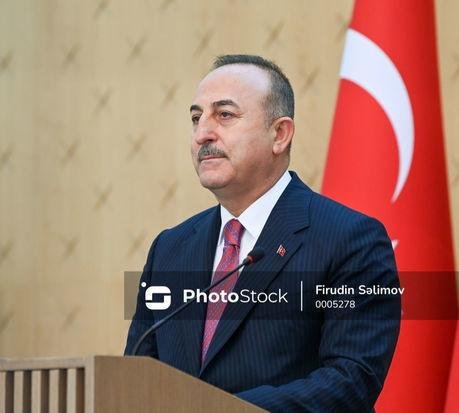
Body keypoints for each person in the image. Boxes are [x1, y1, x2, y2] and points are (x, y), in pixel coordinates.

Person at [124, 54, 401, 412]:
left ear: (279, 134)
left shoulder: (351, 239)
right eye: (196, 118)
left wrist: (217, 409)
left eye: (225, 115)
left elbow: (351, 380)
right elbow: (137, 378)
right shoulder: (170, 248)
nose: (203, 134)